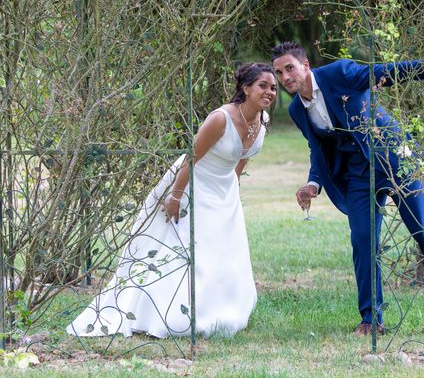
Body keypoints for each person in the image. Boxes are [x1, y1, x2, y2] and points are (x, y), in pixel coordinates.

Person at [66, 63, 277, 338]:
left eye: (273, 87)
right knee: (189, 249)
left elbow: (241, 157)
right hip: (194, 184)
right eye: (263, 85)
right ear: (246, 88)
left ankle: (218, 310)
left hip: (224, 191)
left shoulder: (263, 121)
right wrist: (176, 195)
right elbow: (191, 157)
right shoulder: (221, 119)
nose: (270, 92)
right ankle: (171, 312)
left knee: (223, 251)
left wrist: (234, 187)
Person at [271, 42, 424, 336]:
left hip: (395, 158)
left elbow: (388, 72)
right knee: (363, 242)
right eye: (279, 72)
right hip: (359, 174)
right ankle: (372, 320)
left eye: (289, 68)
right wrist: (313, 182)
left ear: (306, 66)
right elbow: (317, 148)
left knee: (423, 230)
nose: (285, 77)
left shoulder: (340, 73)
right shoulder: (298, 109)